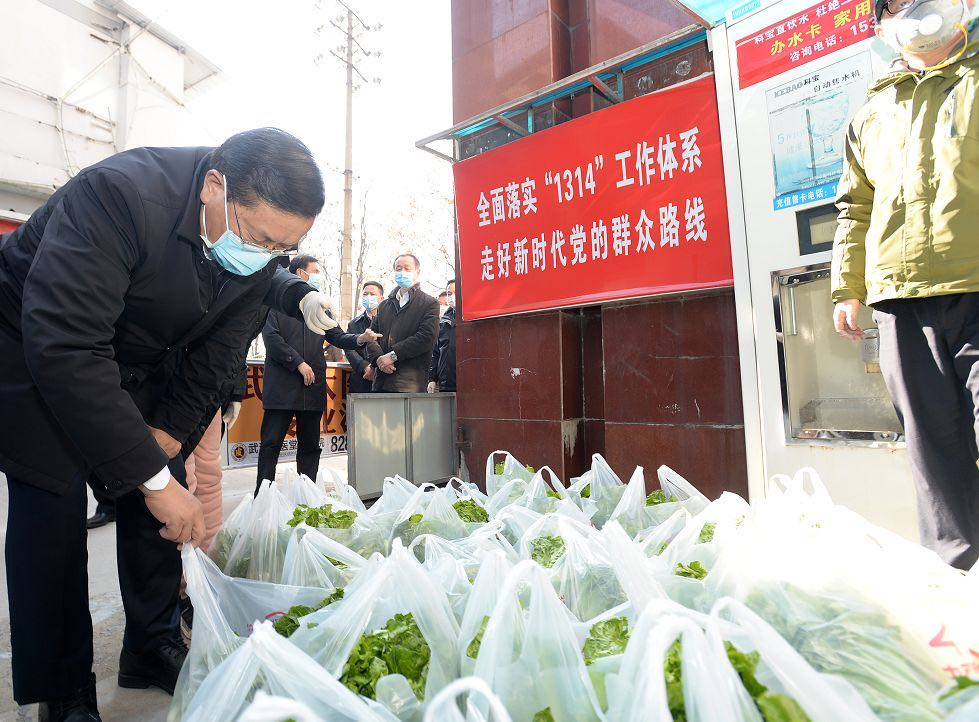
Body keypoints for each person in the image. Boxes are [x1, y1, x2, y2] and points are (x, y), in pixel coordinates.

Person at [0, 127, 340, 720]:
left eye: (280, 249)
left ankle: (151, 642)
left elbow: (217, 357)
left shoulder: (256, 254)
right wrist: (152, 482)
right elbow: (68, 345)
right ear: (215, 186)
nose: (265, 257)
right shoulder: (118, 196)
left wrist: (165, 445)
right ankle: (64, 689)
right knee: (51, 503)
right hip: (36, 343)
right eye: (259, 238)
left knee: (162, 485)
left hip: (140, 353)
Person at [832, 0, 979, 569]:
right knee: (932, 452)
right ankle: (957, 584)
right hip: (901, 299)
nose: (912, 10)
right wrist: (847, 288)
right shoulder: (871, 111)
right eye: (894, 5)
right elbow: (855, 206)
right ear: (881, 27)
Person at [256, 255, 380, 492]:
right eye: (314, 271)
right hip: (282, 387)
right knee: (271, 445)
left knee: (310, 447)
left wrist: (361, 339)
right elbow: (272, 339)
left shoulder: (321, 307)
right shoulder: (274, 305)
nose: (318, 277)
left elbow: (338, 337)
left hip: (310, 390)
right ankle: (263, 497)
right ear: (300, 274)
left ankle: (307, 495)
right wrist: (299, 363)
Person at [365, 254, 440, 393]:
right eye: (398, 268)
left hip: (409, 384)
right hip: (381, 381)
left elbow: (426, 337)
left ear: (417, 272)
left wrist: (393, 356)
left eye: (407, 268)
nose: (402, 272)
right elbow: (372, 337)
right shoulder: (384, 306)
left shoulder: (429, 303)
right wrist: (379, 360)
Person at [346, 281, 385, 394]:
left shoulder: (389, 321)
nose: (368, 297)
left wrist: (377, 367)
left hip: (384, 378)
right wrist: (365, 367)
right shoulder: (354, 324)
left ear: (381, 298)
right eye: (365, 294)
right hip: (361, 378)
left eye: (372, 294)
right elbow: (349, 349)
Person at [428, 278, 457, 394]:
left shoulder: (473, 317)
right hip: (446, 384)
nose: (452, 296)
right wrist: (432, 378)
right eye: (449, 293)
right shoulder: (443, 321)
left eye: (456, 292)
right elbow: (436, 352)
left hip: (469, 384)